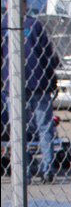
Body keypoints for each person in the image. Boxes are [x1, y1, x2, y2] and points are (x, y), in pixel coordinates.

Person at [1, 10, 60, 182]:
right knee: (44, 126)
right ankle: (47, 169)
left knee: (18, 128)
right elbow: (48, 55)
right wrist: (51, 80)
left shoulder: (4, 25)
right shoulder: (34, 25)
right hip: (38, 81)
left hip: (14, 83)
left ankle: (24, 171)